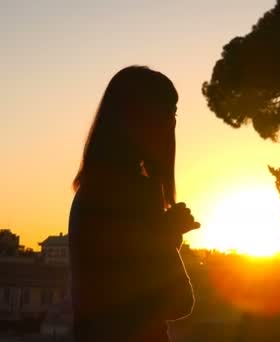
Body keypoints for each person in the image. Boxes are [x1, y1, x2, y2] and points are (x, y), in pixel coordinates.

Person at [68, 66, 200, 342]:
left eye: (174, 114)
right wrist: (166, 234)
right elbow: (177, 300)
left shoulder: (90, 189)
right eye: (167, 113)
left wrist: (166, 232)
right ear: (137, 119)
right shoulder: (134, 192)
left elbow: (119, 278)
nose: (171, 125)